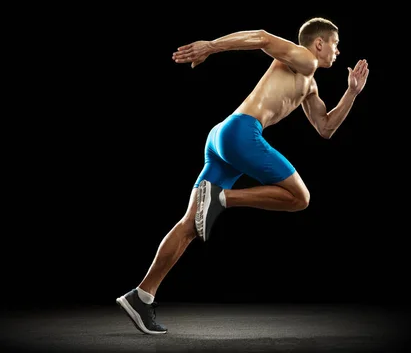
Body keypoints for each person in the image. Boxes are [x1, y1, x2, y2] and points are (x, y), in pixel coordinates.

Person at [116, 17, 369, 334]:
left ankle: (141, 296)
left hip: (223, 135)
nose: (338, 50)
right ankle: (222, 199)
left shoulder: (310, 83)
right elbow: (262, 37)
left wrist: (352, 93)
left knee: (192, 223)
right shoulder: (303, 58)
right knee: (299, 197)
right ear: (319, 43)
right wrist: (211, 45)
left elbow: (326, 127)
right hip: (241, 133)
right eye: (335, 44)